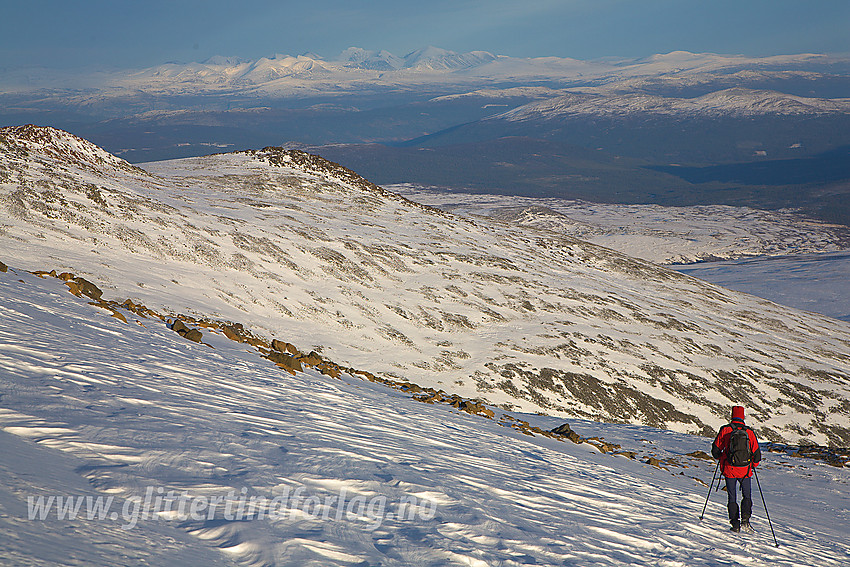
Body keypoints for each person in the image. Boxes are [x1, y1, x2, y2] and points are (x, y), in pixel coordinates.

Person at [711, 405, 762, 532]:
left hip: (729, 469)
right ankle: (746, 520)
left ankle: (735, 524)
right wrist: (751, 466)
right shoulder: (749, 432)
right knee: (747, 496)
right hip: (745, 470)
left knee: (732, 497)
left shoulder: (725, 430)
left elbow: (715, 450)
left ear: (732, 416)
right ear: (742, 417)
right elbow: (757, 455)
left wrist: (722, 457)